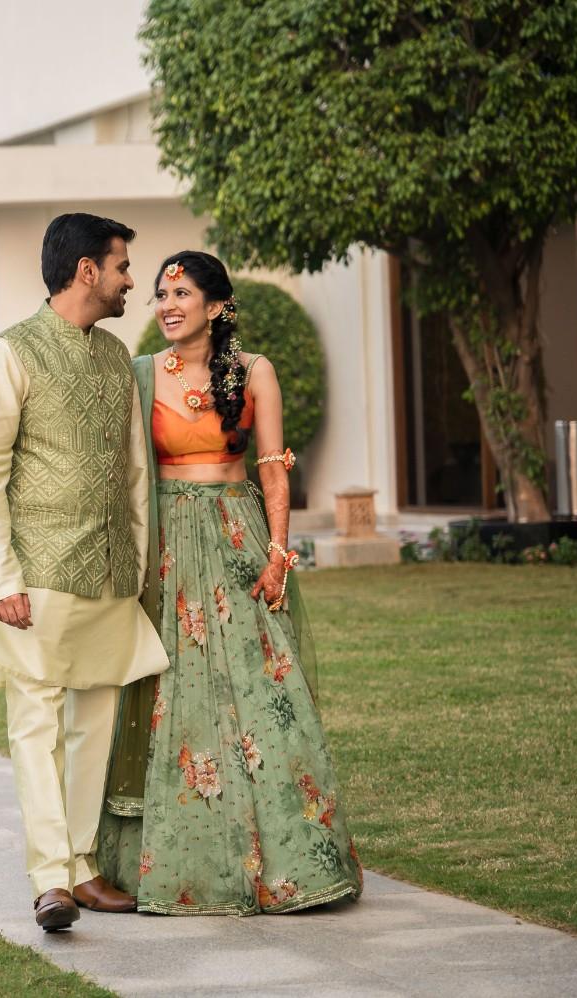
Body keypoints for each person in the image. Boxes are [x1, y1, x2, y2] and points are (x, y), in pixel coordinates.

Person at [97, 250, 363, 914]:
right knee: (171, 692)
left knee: (261, 686)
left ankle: (291, 863)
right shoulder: (137, 374)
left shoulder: (254, 371)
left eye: (181, 293)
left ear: (216, 306)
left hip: (237, 538)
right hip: (165, 548)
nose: (167, 305)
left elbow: (272, 467)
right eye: (161, 294)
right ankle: (176, 865)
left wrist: (278, 554)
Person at [0, 213, 169, 932]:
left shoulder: (115, 356)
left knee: (96, 724)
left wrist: (137, 567)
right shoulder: (9, 353)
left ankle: (82, 868)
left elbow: (136, 473)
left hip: (110, 573)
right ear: (87, 270)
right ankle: (49, 878)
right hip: (36, 576)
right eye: (121, 267)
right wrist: (4, 579)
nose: (129, 282)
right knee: (35, 725)